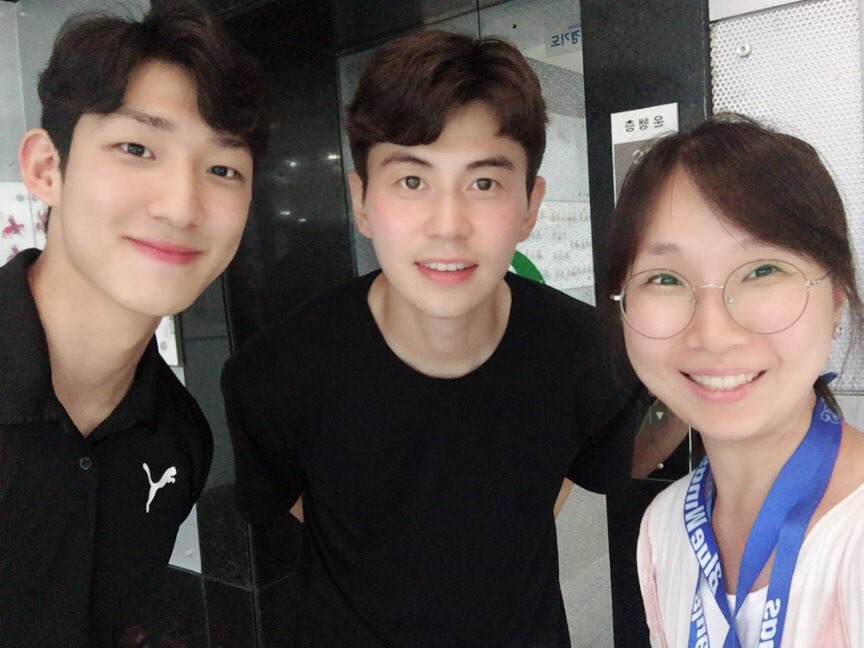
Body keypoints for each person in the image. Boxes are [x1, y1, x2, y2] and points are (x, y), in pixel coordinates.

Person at [222, 29, 648, 647]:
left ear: (530, 206)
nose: (448, 226)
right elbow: (288, 499)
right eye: (412, 181)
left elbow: (571, 470)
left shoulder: (589, 353)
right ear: (361, 200)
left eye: (484, 183)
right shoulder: (276, 373)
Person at [0, 2, 268, 646]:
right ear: (47, 168)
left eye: (223, 169)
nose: (181, 207)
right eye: (136, 147)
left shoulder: (178, 439)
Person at [605, 114, 864, 646]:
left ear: (837, 295)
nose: (713, 334)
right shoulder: (662, 529)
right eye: (664, 279)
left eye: (762, 270)